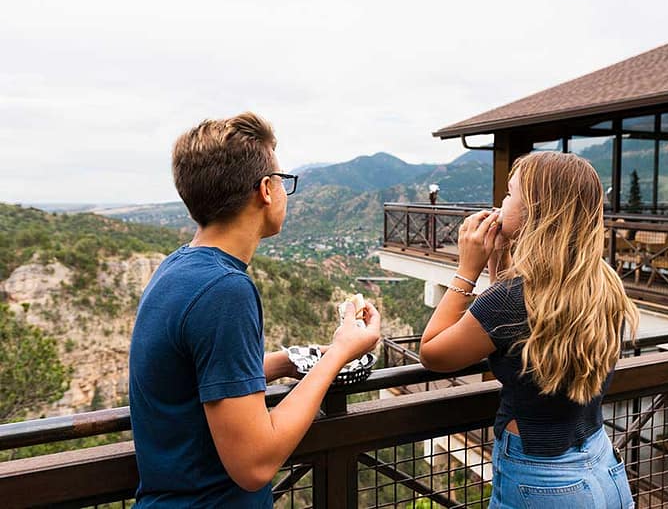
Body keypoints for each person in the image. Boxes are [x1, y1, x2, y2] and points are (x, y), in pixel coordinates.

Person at [128, 112, 381, 507]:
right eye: (282, 180)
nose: (283, 190)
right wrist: (339, 353)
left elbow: (198, 378)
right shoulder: (224, 290)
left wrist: (286, 362)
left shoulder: (178, 268)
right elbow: (255, 464)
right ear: (265, 189)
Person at [419, 151, 639, 508]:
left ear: (535, 213)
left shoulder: (510, 301)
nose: (500, 203)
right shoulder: (603, 282)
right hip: (602, 467)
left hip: (541, 482)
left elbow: (433, 353)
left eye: (509, 195)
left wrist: (466, 270)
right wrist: (499, 259)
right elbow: (514, 322)